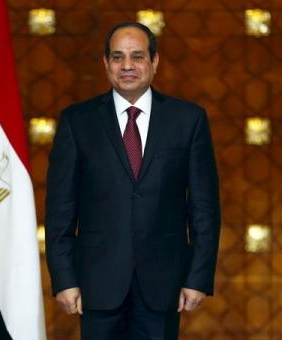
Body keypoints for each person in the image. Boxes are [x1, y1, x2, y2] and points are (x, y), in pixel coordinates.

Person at [45, 21, 221, 340]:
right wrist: (64, 279)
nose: (127, 65)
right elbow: (60, 210)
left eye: (137, 56)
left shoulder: (188, 120)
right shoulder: (77, 121)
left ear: (155, 62)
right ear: (106, 63)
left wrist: (198, 277)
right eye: (117, 56)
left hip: (164, 285)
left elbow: (205, 210)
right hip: (96, 285)